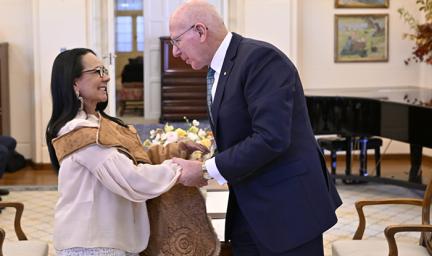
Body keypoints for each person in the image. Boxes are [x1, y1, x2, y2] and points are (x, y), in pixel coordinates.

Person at [169, 1, 342, 255]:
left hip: (288, 211)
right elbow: (244, 128)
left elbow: (271, 138)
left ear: (200, 31)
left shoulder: (260, 59)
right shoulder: (223, 67)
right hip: (250, 208)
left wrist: (206, 170)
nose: (174, 52)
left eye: (177, 41)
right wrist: (212, 151)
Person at [45, 48, 207, 256]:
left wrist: (175, 150)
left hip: (113, 238)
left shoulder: (97, 122)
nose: (108, 77)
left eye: (104, 69)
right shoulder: (79, 131)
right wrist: (179, 169)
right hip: (91, 244)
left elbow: (129, 157)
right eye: (97, 71)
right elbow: (130, 177)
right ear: (74, 83)